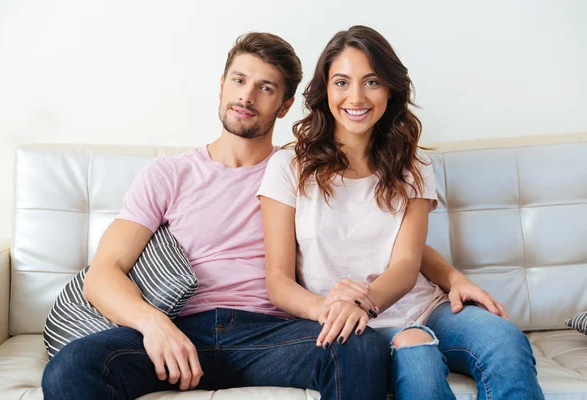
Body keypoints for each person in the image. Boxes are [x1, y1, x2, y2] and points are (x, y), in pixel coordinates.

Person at [42, 31, 510, 399]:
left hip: (275, 332)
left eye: (266, 88)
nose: (247, 96)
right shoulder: (168, 174)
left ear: (285, 105)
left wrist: (450, 276)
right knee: (72, 368)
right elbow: (103, 275)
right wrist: (154, 324)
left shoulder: (306, 168)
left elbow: (385, 236)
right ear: (221, 85)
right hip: (182, 327)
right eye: (239, 80)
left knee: (360, 348)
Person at [258, 25, 544, 399]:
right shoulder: (287, 165)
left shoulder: (412, 163)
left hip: (423, 308)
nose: (356, 96)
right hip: (346, 326)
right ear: (325, 89)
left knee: (504, 340)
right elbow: (278, 280)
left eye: (372, 81)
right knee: (416, 361)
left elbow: (408, 264)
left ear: (390, 88)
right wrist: (330, 308)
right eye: (341, 82)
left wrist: (447, 279)